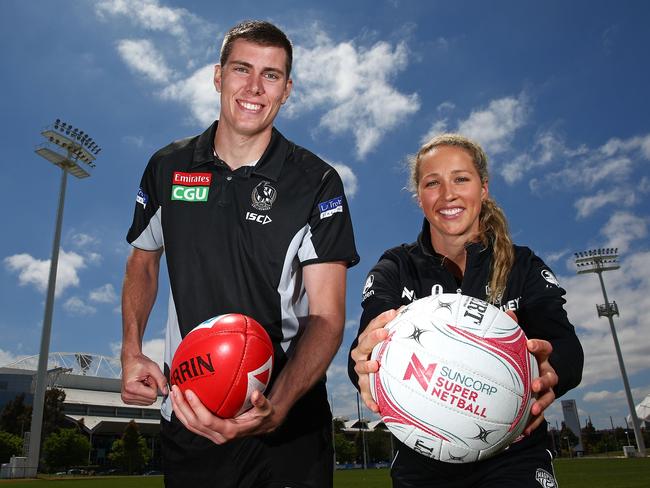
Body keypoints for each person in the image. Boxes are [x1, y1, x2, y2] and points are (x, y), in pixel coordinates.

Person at [121, 20, 359, 488]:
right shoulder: (167, 166)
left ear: (287, 90)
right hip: (191, 414)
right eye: (241, 69)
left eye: (271, 75)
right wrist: (131, 350)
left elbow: (328, 318)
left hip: (287, 420)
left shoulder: (317, 181)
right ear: (218, 76)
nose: (254, 87)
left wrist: (280, 407)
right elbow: (143, 261)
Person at [349, 133, 583, 487]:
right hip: (422, 463)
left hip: (514, 455)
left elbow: (566, 347)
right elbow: (367, 345)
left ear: (483, 188)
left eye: (461, 178)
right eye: (433, 183)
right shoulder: (395, 266)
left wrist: (551, 369)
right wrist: (363, 362)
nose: (448, 194)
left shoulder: (523, 265)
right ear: (419, 198)